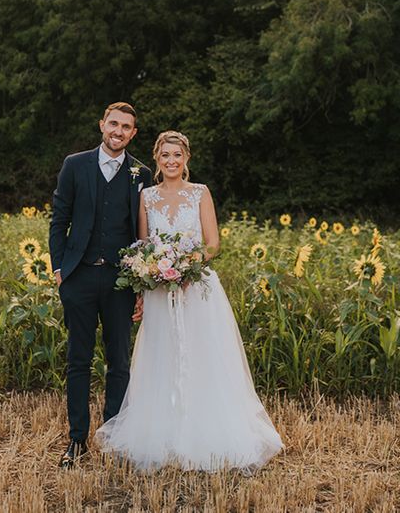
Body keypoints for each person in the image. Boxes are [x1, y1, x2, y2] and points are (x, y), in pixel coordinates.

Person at [95, 130, 283, 471]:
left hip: (196, 287)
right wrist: (153, 274)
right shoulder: (147, 197)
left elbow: (212, 243)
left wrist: (184, 268)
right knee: (160, 355)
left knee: (203, 355)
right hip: (158, 290)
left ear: (186, 160)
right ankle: (162, 432)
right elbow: (143, 244)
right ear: (157, 159)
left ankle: (205, 431)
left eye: (177, 156)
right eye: (165, 155)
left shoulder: (200, 193)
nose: (171, 161)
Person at [49, 102, 152, 469]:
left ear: (133, 133)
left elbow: (143, 233)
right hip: (78, 277)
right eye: (114, 124)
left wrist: (140, 285)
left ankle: (113, 437)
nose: (119, 131)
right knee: (78, 360)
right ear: (102, 125)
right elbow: (59, 218)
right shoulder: (74, 165)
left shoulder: (142, 173)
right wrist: (59, 269)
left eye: (126, 127)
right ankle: (77, 441)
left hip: (119, 280)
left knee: (118, 362)